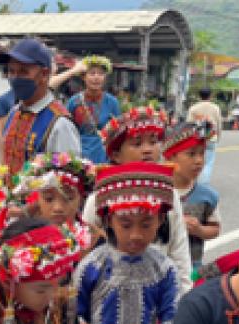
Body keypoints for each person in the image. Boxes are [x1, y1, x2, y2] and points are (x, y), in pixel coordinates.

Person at [73, 162, 180, 324]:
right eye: (126, 225)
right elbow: (71, 318)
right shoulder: (92, 265)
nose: (136, 235)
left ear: (161, 219)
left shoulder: (164, 269)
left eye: (146, 224)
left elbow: (174, 320)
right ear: (109, 220)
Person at [82, 106, 193, 294]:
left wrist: (183, 303)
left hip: (159, 294)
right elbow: (86, 255)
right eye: (137, 143)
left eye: (153, 141)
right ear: (115, 155)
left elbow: (179, 253)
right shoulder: (99, 198)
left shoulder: (169, 194)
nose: (148, 150)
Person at [0, 38, 80, 180]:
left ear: (44, 74)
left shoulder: (59, 123)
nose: (15, 78)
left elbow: (67, 183)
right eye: (11, 71)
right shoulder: (14, 112)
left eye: (23, 72)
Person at [164, 121, 221, 271]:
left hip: (191, 268)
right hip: (159, 268)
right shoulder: (158, 192)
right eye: (191, 154)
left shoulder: (208, 196)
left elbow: (215, 228)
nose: (199, 161)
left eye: (202, 153)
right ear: (171, 157)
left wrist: (199, 230)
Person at [15, 151, 96, 227]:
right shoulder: (23, 236)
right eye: (48, 199)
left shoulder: (94, 237)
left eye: (68, 198)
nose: (58, 208)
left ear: (81, 199)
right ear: (37, 199)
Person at [67, 55, 120, 165]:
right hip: (79, 158)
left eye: (100, 74)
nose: (96, 77)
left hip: (104, 158)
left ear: (105, 77)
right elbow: (68, 131)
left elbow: (118, 132)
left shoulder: (112, 102)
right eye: (92, 73)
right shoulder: (74, 102)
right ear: (83, 77)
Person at [187, 87, 222, 185]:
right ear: (210, 96)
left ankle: (195, 182)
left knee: (195, 160)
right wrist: (218, 136)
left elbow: (188, 124)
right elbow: (219, 124)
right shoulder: (215, 108)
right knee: (208, 163)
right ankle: (203, 184)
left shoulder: (193, 108)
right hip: (211, 137)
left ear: (199, 96)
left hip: (197, 138)